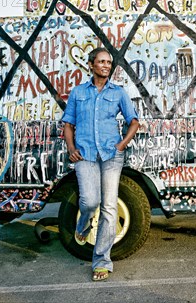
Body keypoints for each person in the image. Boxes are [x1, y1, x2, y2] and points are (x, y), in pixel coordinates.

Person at [62, 47, 139, 282]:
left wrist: (121, 145)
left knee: (109, 207)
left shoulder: (119, 93)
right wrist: (71, 149)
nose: (106, 65)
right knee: (89, 201)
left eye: (109, 62)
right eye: (101, 61)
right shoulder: (77, 92)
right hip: (85, 155)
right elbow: (68, 124)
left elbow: (134, 122)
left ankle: (102, 261)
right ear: (91, 64)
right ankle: (83, 228)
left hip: (111, 155)